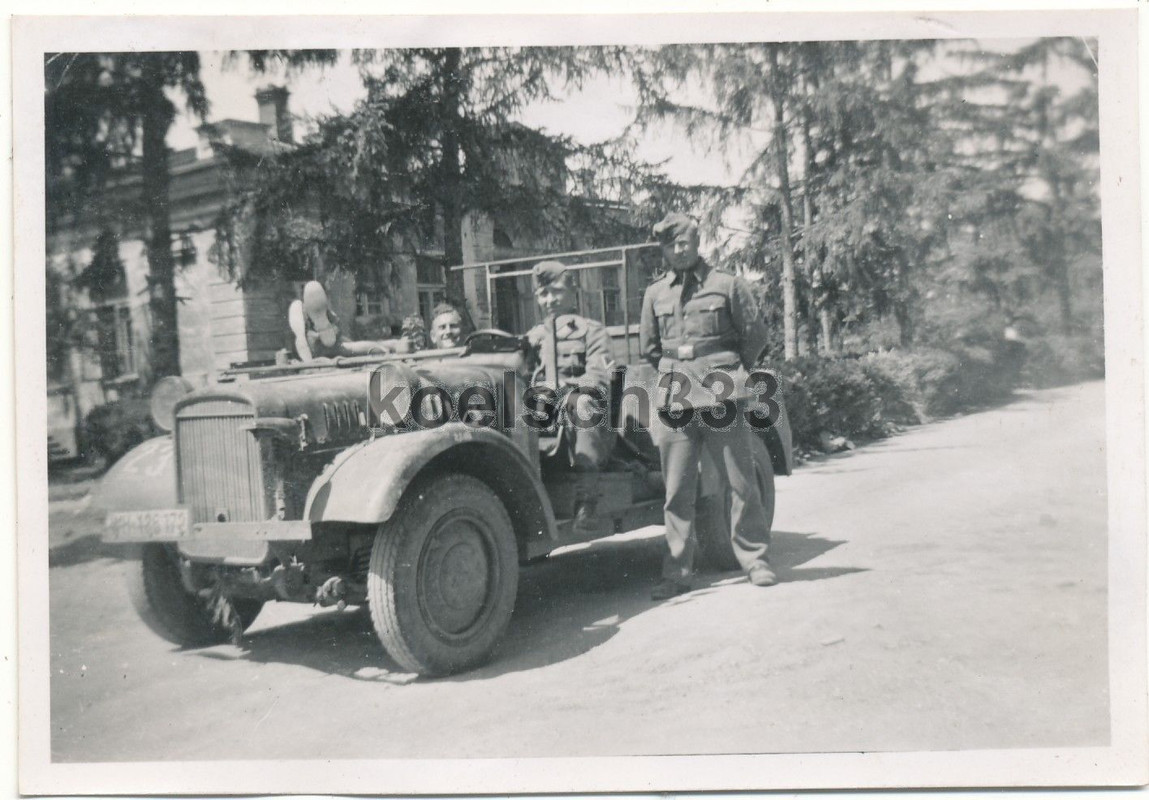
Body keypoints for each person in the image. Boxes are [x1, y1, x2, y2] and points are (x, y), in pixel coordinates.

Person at [639, 212, 777, 600]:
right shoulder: (655, 294)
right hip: (676, 397)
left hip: (721, 392)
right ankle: (678, 571)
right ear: (664, 250)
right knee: (677, 490)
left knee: (740, 481)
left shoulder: (727, 284)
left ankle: (755, 560)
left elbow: (755, 336)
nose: (678, 248)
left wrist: (731, 370)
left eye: (684, 241)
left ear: (697, 242)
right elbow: (649, 349)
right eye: (670, 243)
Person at [526, 260, 616, 472]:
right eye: (543, 294)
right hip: (542, 410)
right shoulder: (533, 337)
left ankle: (586, 496)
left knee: (581, 402)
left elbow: (599, 379)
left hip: (584, 414)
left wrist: (562, 390)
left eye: (556, 292)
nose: (549, 300)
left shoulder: (593, 333)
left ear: (572, 292)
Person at [288, 281, 402, 362]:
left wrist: (331, 331)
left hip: (333, 345)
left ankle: (391, 345)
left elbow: (336, 330)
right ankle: (390, 345)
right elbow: (301, 342)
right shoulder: (298, 310)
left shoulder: (328, 314)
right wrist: (309, 363)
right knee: (353, 348)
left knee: (354, 347)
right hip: (317, 350)